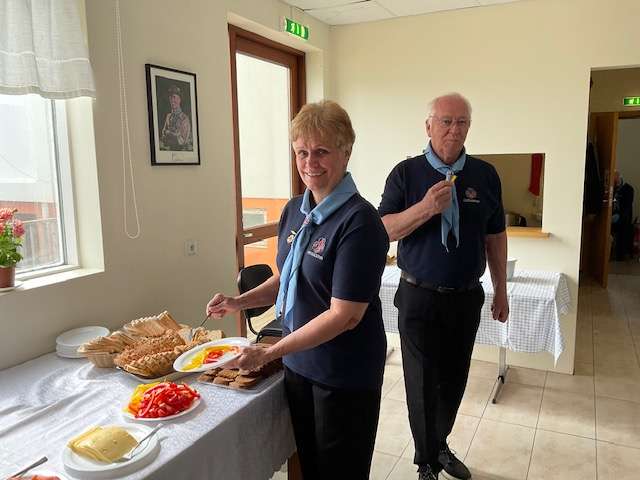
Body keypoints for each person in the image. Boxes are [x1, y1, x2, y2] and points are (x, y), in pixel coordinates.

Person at [205, 100, 389, 480]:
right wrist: (238, 301)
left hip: (343, 374)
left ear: (346, 152)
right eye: (301, 152)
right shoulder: (295, 211)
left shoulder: (360, 222)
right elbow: (288, 277)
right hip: (299, 366)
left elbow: (345, 316)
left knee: (340, 473)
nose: (310, 162)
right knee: (309, 466)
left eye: (321, 152)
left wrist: (269, 351)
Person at [378, 93, 509, 480]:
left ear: (469, 127)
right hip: (418, 296)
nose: (454, 129)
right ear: (428, 126)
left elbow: (496, 236)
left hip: (466, 298)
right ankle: (426, 462)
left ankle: (439, 444)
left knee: (454, 381)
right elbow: (383, 230)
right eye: (446, 121)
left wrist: (501, 289)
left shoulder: (485, 175)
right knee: (421, 383)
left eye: (461, 122)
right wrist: (425, 209)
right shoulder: (405, 173)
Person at [160, 85, 192, 150]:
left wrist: (170, 133)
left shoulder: (184, 118)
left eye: (174, 97)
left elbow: (182, 141)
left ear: (179, 99)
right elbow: (163, 134)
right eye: (170, 98)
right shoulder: (168, 116)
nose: (172, 100)